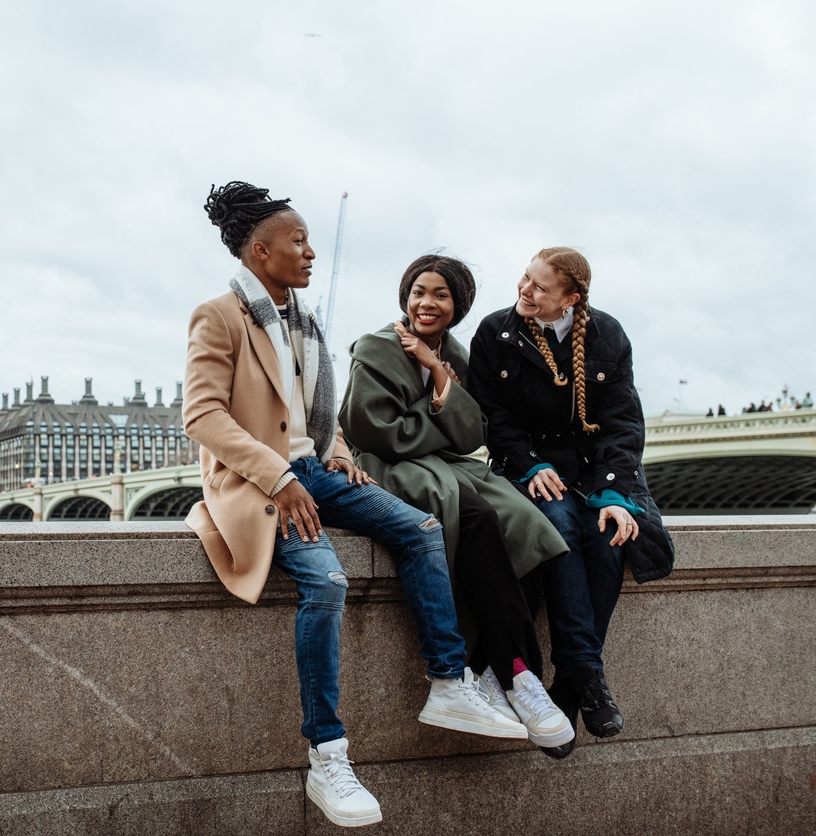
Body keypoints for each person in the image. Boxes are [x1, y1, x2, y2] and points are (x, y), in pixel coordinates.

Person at [184, 182, 525, 829]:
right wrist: (279, 476)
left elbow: (311, 412)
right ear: (260, 250)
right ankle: (328, 755)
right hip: (261, 485)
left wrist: (336, 447)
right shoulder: (218, 315)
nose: (311, 253)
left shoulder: (305, 320)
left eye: (311, 241)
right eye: (298, 241)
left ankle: (449, 684)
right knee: (328, 582)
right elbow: (203, 416)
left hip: (315, 470)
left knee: (422, 528)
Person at [338, 254, 575, 756]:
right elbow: (373, 431)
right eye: (419, 291)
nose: (426, 303)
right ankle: (519, 674)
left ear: (458, 305)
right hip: (389, 468)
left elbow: (472, 434)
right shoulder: (376, 349)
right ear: (405, 295)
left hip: (445, 464)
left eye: (441, 295)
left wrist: (436, 373)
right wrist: (440, 410)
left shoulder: (456, 356)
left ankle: (493, 668)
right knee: (477, 517)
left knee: (530, 527)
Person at [467, 246, 674, 757]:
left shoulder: (606, 335)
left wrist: (614, 494)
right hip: (531, 467)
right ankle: (585, 676)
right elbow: (491, 415)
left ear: (570, 299)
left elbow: (623, 421)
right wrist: (528, 463)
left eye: (539, 287)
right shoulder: (496, 332)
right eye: (524, 278)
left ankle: (575, 675)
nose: (524, 291)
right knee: (558, 522)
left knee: (609, 533)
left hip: (593, 469)